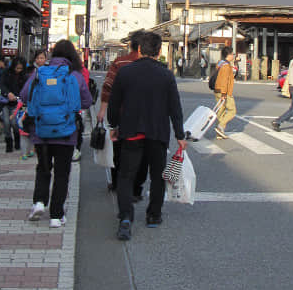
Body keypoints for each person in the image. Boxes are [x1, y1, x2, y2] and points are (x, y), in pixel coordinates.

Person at [107, 31, 186, 241]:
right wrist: (180, 134)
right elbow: (174, 107)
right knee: (157, 175)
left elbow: (114, 103)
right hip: (157, 133)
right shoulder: (166, 75)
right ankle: (153, 215)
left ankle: (125, 217)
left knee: (126, 176)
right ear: (159, 51)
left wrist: (113, 125)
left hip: (131, 131)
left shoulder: (126, 72)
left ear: (139, 49)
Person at [21, 39, 92, 227]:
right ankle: (56, 215)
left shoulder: (40, 72)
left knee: (43, 169)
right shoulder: (74, 75)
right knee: (62, 173)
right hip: (66, 132)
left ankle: (38, 202)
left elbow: (24, 95)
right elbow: (86, 101)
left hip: (41, 131)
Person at [97, 30, 144, 193]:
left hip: (120, 114)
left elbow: (108, 87)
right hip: (142, 117)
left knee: (118, 149)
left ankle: (117, 183)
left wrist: (102, 110)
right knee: (140, 151)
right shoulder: (150, 65)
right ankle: (136, 187)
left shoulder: (119, 62)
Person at [20, 49, 47, 160]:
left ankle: (35, 148)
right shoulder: (32, 72)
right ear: (35, 59)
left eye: (42, 58)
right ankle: (33, 149)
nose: (40, 60)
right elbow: (26, 91)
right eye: (38, 58)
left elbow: (24, 93)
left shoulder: (45, 71)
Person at [0, 56, 28, 152]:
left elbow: (25, 89)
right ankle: (8, 142)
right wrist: (8, 93)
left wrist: (19, 97)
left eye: (20, 68)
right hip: (5, 102)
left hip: (17, 103)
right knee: (6, 122)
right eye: (17, 68)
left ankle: (17, 140)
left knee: (15, 123)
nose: (18, 70)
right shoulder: (6, 73)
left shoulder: (24, 76)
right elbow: (1, 85)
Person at [213, 46, 237, 140]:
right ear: (229, 54)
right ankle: (220, 127)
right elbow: (224, 80)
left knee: (221, 111)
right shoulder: (226, 66)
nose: (233, 56)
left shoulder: (220, 63)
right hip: (224, 91)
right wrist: (224, 94)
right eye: (232, 54)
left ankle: (219, 133)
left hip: (217, 89)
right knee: (232, 111)